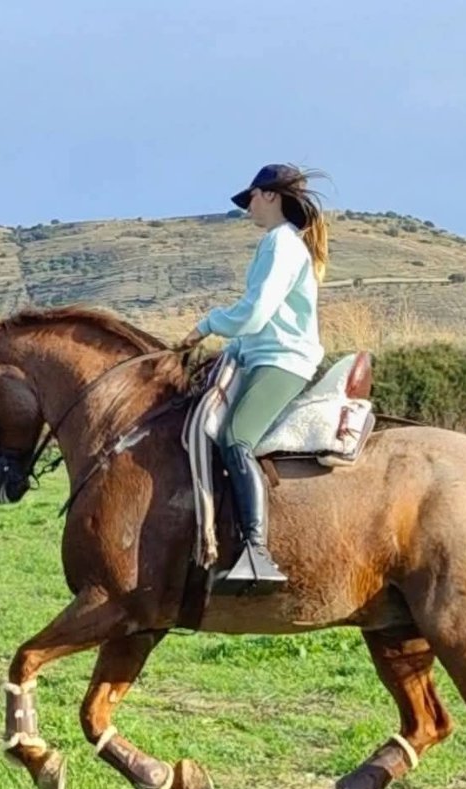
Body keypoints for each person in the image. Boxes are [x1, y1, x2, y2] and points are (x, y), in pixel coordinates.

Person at [175, 163, 328, 589]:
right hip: (262, 355)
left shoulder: (280, 244)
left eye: (252, 199)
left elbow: (256, 312)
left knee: (235, 437)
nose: (248, 210)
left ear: (271, 196)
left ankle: (257, 552)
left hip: (283, 362)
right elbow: (262, 324)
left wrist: (207, 325)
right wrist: (228, 350)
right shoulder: (278, 244)